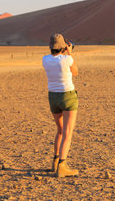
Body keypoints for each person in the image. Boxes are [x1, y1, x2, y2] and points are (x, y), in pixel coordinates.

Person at [42, 33, 79, 177]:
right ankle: (62, 167)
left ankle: (55, 162)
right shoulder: (67, 59)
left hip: (53, 97)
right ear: (63, 46)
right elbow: (75, 72)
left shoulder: (45, 59)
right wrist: (69, 52)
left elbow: (55, 59)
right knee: (67, 133)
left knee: (60, 130)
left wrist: (63, 52)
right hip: (67, 96)